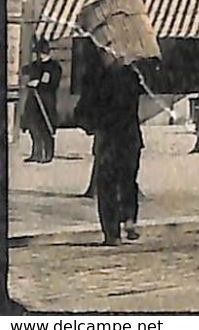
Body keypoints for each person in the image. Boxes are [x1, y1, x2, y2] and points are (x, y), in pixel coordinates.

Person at [75, 48, 146, 246]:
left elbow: (85, 109)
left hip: (108, 138)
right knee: (127, 179)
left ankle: (112, 232)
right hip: (130, 138)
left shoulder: (98, 79)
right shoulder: (132, 76)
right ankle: (129, 219)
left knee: (107, 184)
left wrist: (89, 124)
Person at [20, 38, 62, 164]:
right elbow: (25, 70)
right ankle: (36, 153)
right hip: (33, 101)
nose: (39, 55)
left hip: (46, 101)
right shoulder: (35, 65)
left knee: (46, 128)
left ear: (46, 52)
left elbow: (52, 83)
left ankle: (48, 154)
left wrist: (38, 83)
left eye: (41, 53)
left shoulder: (54, 67)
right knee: (33, 127)